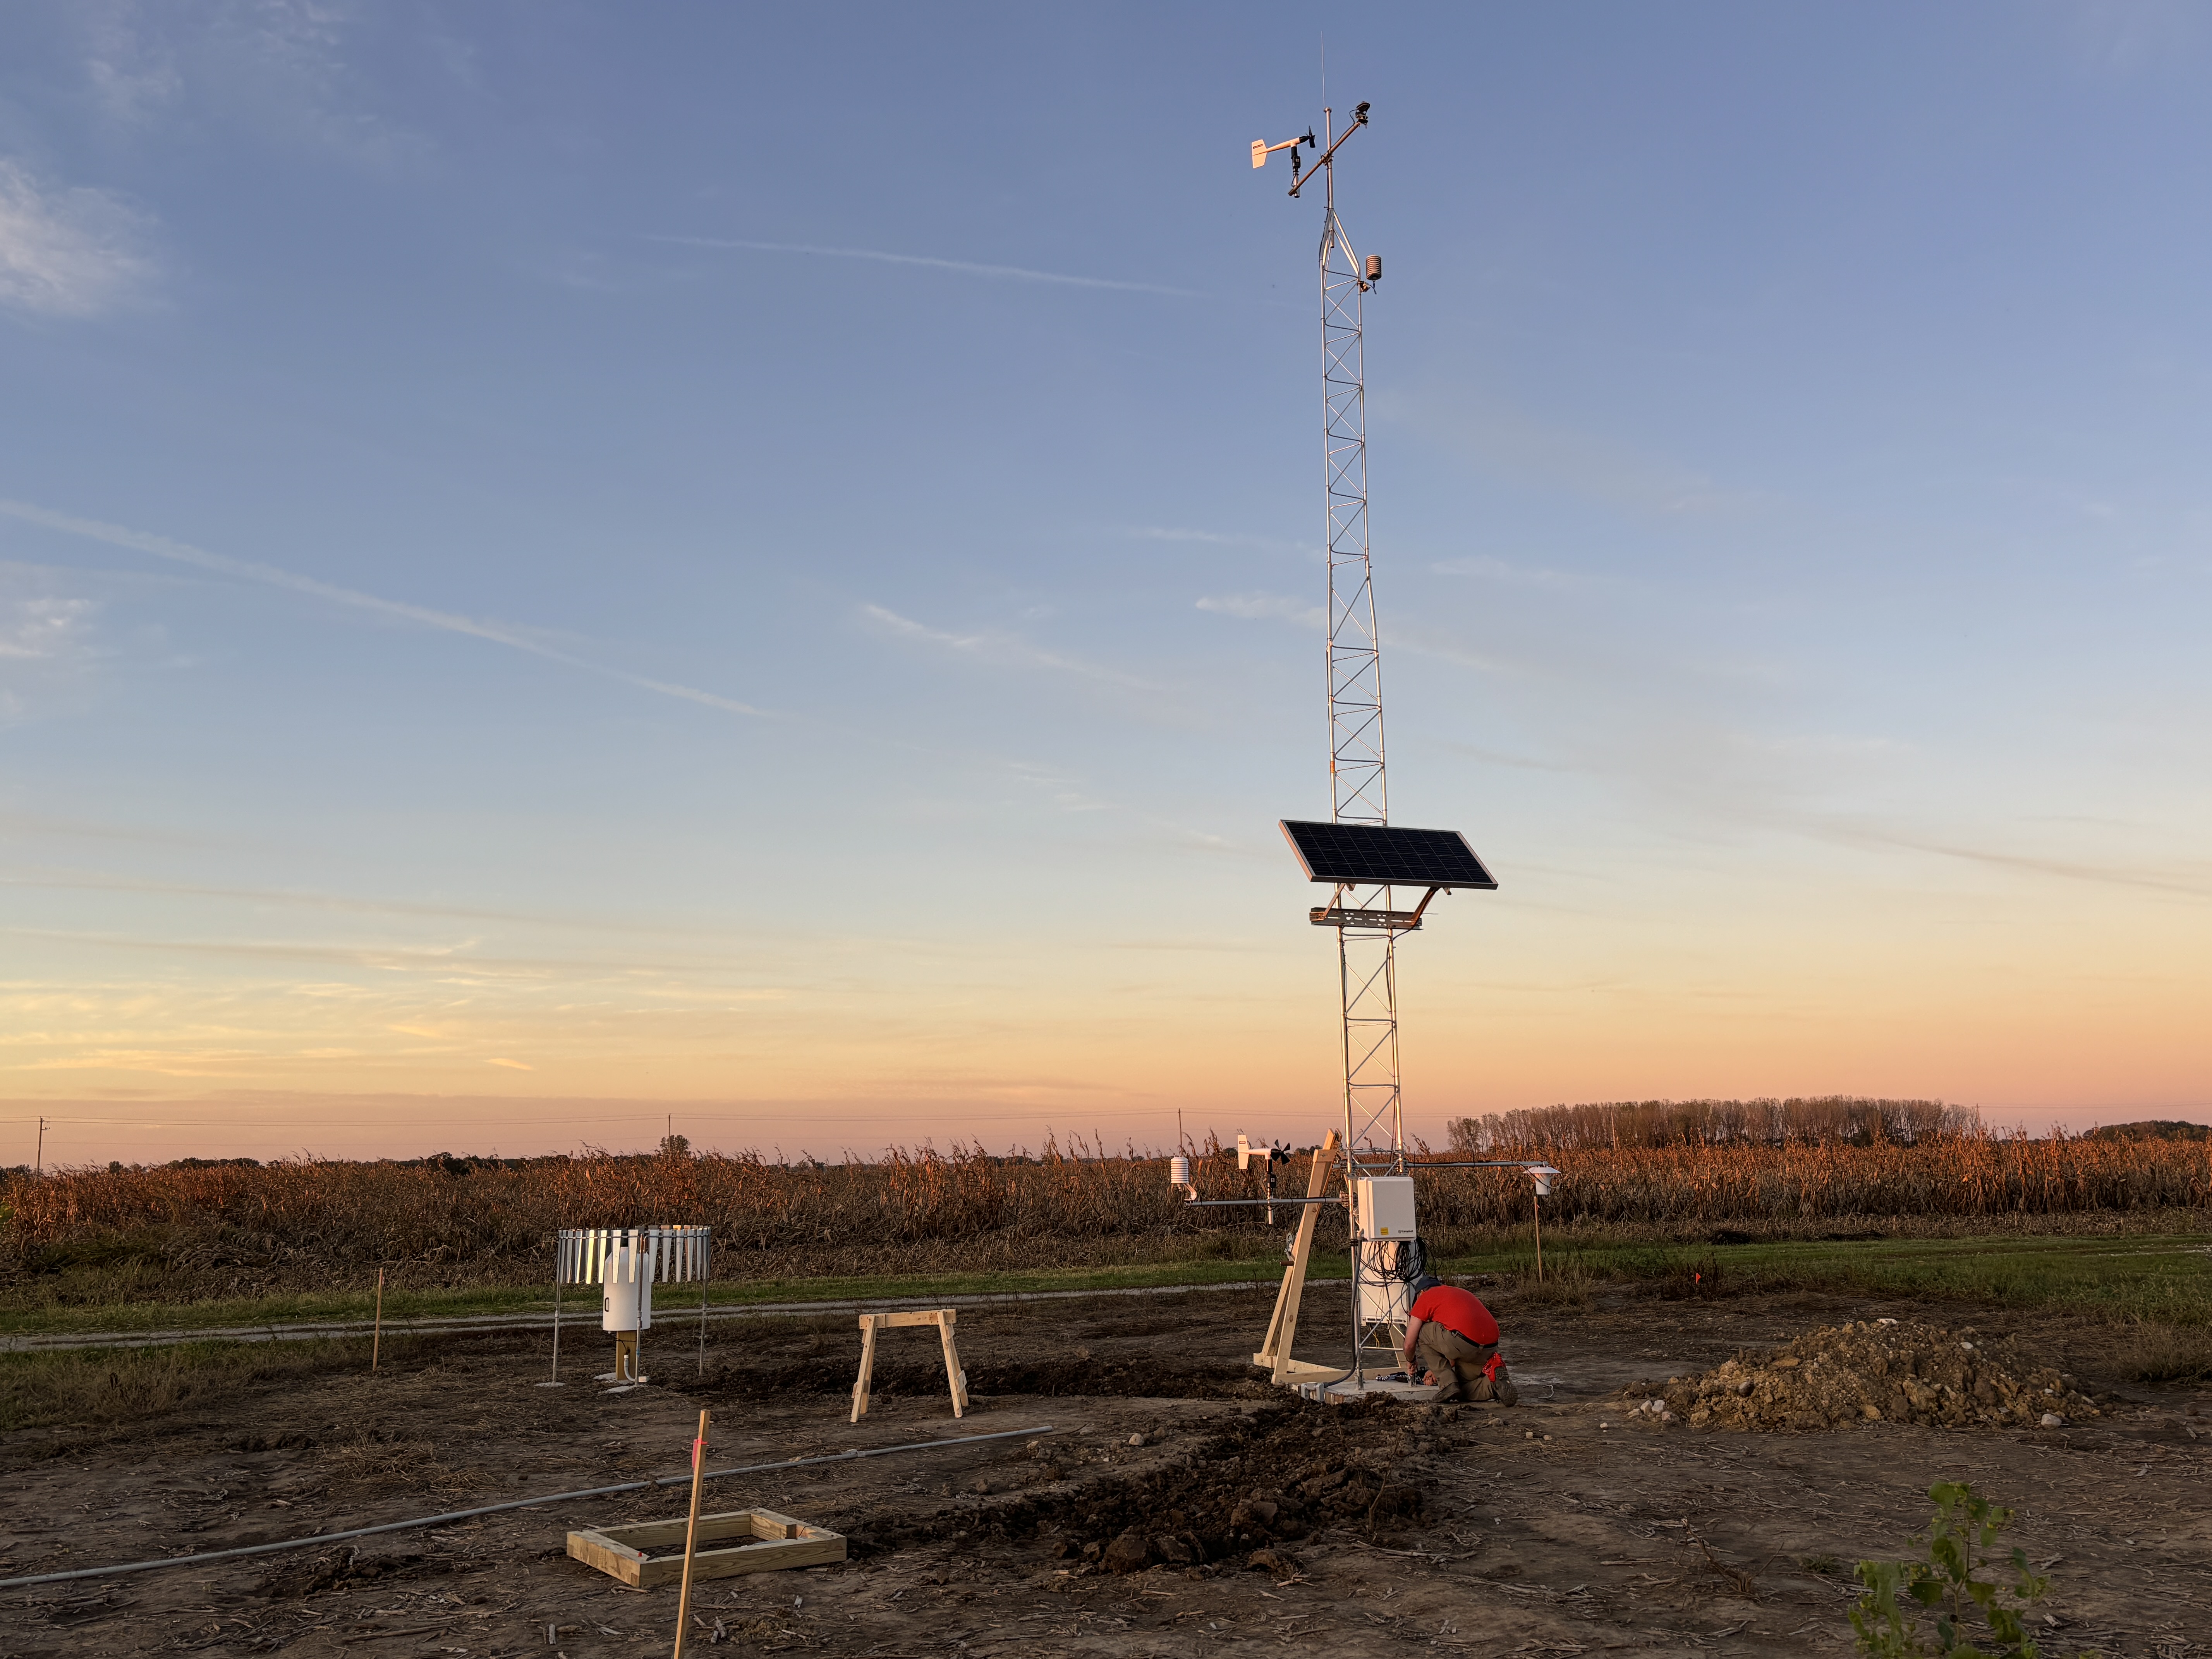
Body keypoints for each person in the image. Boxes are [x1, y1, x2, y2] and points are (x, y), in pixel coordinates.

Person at [1400, 1274, 1517, 1405]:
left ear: (1421, 1293)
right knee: (1460, 1388)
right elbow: (1454, 1345)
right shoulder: (1459, 1293)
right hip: (1489, 1348)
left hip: (1463, 1343)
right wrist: (1436, 1371)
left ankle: (1447, 1385)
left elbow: (1409, 1345)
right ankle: (1493, 1385)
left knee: (1423, 1332)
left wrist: (1411, 1361)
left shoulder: (1426, 1297)